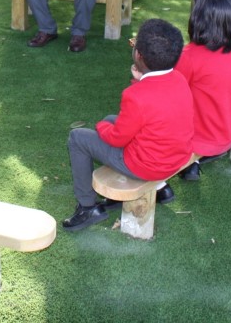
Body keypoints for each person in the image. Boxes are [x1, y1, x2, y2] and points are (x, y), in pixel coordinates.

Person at [62, 19, 194, 232]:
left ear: (139, 56)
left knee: (78, 138)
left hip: (146, 165)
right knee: (114, 118)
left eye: (133, 44)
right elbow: (151, 110)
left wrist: (101, 125)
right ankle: (162, 189)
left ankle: (87, 207)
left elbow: (117, 138)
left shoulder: (135, 95)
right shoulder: (179, 78)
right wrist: (141, 80)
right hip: (176, 156)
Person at [175, 0, 231, 181]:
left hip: (202, 139)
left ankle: (160, 186)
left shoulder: (189, 57)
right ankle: (193, 165)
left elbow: (170, 96)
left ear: (197, 19)